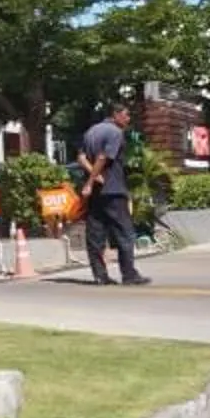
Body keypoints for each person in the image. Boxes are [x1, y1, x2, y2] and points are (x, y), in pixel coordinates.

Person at [77, 99, 149, 286]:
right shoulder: (115, 132)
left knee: (95, 234)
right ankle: (129, 274)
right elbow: (103, 157)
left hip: (97, 194)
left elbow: (81, 157)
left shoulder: (91, 131)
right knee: (125, 232)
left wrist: (92, 175)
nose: (128, 118)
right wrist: (93, 178)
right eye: (126, 115)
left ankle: (100, 275)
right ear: (116, 115)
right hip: (114, 189)